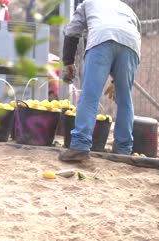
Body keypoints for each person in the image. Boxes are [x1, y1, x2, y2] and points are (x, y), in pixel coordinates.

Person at [59, 0, 141, 161]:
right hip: (131, 45)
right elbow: (134, 34)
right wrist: (116, 82)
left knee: (90, 96)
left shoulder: (87, 4)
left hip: (101, 40)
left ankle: (80, 146)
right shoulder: (125, 7)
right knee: (124, 98)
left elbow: (72, 31)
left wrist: (68, 62)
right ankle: (123, 150)